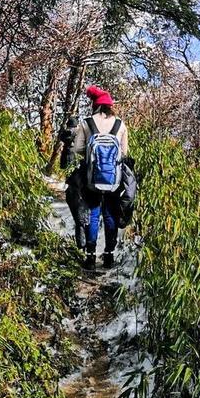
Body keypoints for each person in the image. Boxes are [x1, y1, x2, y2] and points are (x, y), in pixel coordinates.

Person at [71, 85, 129, 270]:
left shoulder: (87, 122)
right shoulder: (120, 124)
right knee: (110, 215)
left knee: (93, 215)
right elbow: (124, 152)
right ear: (110, 106)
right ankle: (109, 255)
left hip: (91, 179)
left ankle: (90, 256)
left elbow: (78, 148)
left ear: (94, 105)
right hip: (113, 180)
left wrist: (91, 155)